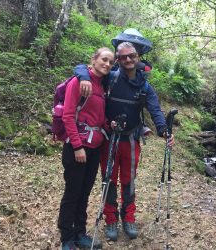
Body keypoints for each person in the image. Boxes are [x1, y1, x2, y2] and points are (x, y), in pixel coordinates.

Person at [74, 31, 174, 242]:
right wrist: (84, 77)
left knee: (129, 180)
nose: (127, 60)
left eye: (131, 56)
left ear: (138, 57)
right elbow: (83, 68)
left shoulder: (145, 86)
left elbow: (155, 111)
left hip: (131, 139)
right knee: (109, 179)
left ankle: (128, 218)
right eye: (122, 57)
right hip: (108, 138)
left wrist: (165, 131)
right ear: (117, 59)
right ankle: (111, 220)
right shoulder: (110, 77)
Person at [57, 47, 114, 250]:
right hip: (78, 147)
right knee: (72, 193)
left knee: (85, 192)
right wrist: (76, 146)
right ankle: (67, 238)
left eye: (110, 62)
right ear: (94, 59)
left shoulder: (102, 85)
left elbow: (97, 117)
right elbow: (68, 115)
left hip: (95, 147)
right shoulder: (79, 81)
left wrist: (109, 124)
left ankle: (80, 232)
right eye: (104, 60)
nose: (107, 64)